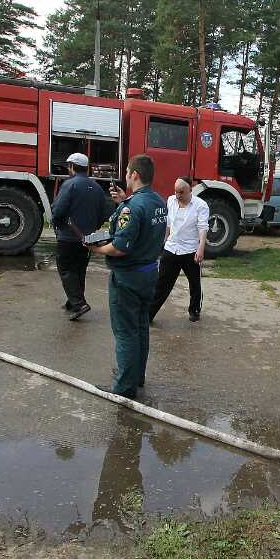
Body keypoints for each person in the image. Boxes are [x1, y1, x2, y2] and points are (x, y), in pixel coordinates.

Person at [93, 155, 168, 399]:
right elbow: (145, 223)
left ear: (134, 174)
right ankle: (136, 376)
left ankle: (125, 386)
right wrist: (124, 201)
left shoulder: (132, 207)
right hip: (149, 273)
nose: (125, 175)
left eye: (127, 172)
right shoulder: (158, 201)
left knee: (126, 331)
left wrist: (95, 249)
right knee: (141, 327)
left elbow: (120, 247)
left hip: (128, 277)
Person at [51, 152, 113, 320]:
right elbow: (104, 212)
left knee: (66, 269)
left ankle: (79, 304)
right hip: (88, 238)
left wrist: (57, 224)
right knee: (79, 270)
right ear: (86, 168)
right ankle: (72, 302)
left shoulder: (69, 185)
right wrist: (93, 228)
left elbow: (59, 210)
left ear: (72, 167)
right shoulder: (97, 188)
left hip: (68, 236)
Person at [149, 177, 209, 322]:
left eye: (181, 192)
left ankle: (194, 310)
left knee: (195, 284)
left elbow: (202, 228)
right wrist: (163, 242)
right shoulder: (170, 201)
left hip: (191, 251)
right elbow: (168, 224)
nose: (177, 195)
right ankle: (149, 314)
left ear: (190, 190)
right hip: (171, 248)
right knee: (161, 284)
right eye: (176, 191)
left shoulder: (201, 205)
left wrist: (201, 248)